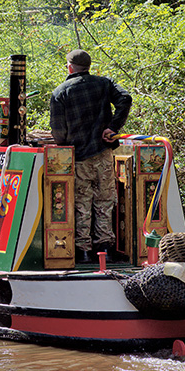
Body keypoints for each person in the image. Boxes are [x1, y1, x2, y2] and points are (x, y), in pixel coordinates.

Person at [50, 49, 132, 263]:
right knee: (105, 200)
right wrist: (113, 127)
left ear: (69, 67)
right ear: (89, 66)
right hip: (103, 153)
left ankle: (83, 251)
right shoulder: (104, 83)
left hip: (77, 157)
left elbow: (58, 132)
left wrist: (64, 144)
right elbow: (125, 98)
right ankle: (105, 247)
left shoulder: (60, 92)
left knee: (81, 202)